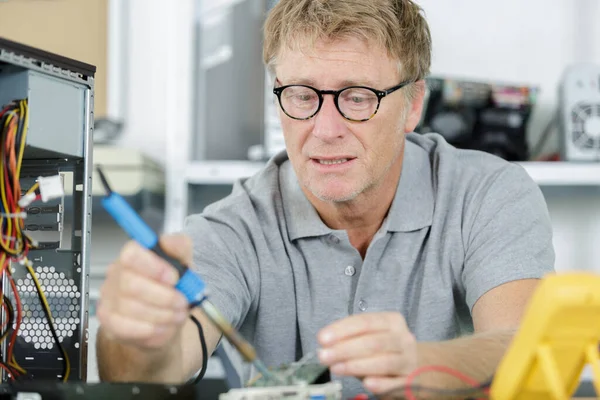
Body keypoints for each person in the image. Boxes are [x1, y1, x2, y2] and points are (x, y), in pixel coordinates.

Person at [95, 0, 555, 398]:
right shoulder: (238, 226)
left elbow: (522, 343)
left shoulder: (489, 195)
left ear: (413, 104)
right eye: (302, 95)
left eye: (357, 98)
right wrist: (135, 337)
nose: (326, 130)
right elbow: (149, 371)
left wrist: (420, 363)